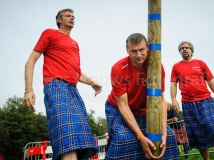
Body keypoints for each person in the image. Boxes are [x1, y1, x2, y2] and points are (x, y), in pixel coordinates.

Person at [23, 8, 102, 160]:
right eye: (67, 16)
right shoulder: (50, 33)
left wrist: (92, 82)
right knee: (67, 139)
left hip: (73, 90)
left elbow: (77, 72)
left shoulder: (75, 44)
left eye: (73, 16)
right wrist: (28, 89)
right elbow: (30, 61)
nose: (72, 18)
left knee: (81, 142)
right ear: (59, 20)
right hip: (56, 87)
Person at [105, 33, 178, 159]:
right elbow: (123, 105)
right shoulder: (118, 68)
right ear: (127, 50)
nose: (138, 55)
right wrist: (140, 136)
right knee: (123, 138)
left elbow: (161, 101)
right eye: (134, 51)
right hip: (118, 108)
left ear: (147, 48)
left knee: (170, 136)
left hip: (144, 109)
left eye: (141, 50)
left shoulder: (156, 66)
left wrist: (164, 132)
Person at [170, 41, 214, 160]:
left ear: (192, 50)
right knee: (198, 134)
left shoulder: (200, 63)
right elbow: (173, 84)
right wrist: (173, 99)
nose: (184, 49)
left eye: (187, 47)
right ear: (180, 51)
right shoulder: (176, 66)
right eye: (182, 48)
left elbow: (211, 81)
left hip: (205, 101)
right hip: (187, 104)